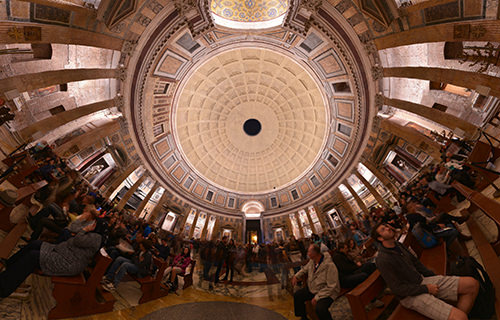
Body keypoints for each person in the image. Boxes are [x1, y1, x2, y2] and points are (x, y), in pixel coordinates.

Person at [371, 222, 479, 320]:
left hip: (421, 281)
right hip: (410, 296)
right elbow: (397, 289)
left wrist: (434, 277)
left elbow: (416, 263)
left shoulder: (397, 245)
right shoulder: (383, 259)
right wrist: (426, 289)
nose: (387, 228)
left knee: (472, 285)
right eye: (383, 229)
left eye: (386, 226)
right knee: (460, 318)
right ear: (380, 238)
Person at [0, 223, 101, 298]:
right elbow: (72, 228)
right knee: (35, 244)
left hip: (68, 262)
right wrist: (83, 223)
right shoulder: (91, 230)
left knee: (33, 256)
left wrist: (84, 229)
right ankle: (9, 266)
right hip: (63, 252)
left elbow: (78, 239)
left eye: (94, 222)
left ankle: (4, 287)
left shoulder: (97, 238)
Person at [291, 244, 339, 320]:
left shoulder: (329, 265)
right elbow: (304, 269)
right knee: (298, 295)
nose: (307, 253)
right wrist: (296, 276)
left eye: (309, 252)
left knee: (320, 308)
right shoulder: (312, 261)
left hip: (326, 292)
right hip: (313, 288)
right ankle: (304, 318)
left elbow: (331, 286)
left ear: (315, 253)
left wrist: (317, 297)